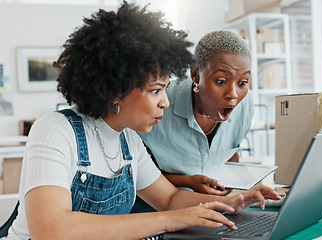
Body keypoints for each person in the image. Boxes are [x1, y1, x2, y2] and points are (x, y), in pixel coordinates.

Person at [1, 2, 281, 240]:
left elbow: (170, 199)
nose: (166, 102)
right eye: (156, 90)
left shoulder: (129, 143)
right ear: (117, 90)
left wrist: (229, 202)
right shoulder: (56, 130)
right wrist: (170, 220)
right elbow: (50, 230)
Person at [137, 29, 253, 201]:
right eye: (221, 81)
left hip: (215, 204)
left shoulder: (245, 105)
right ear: (195, 74)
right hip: (153, 204)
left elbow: (229, 154)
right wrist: (188, 181)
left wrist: (234, 186)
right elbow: (136, 173)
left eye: (242, 82)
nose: (233, 94)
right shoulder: (158, 103)